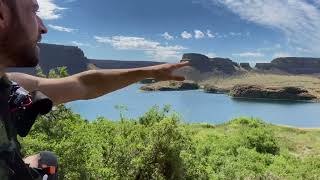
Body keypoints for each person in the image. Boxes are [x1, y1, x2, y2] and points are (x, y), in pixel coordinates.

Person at [0, 0, 190, 179]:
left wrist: (150, 71)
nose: (43, 27)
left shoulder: (10, 87)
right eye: (34, 11)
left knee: (47, 160)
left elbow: (85, 85)